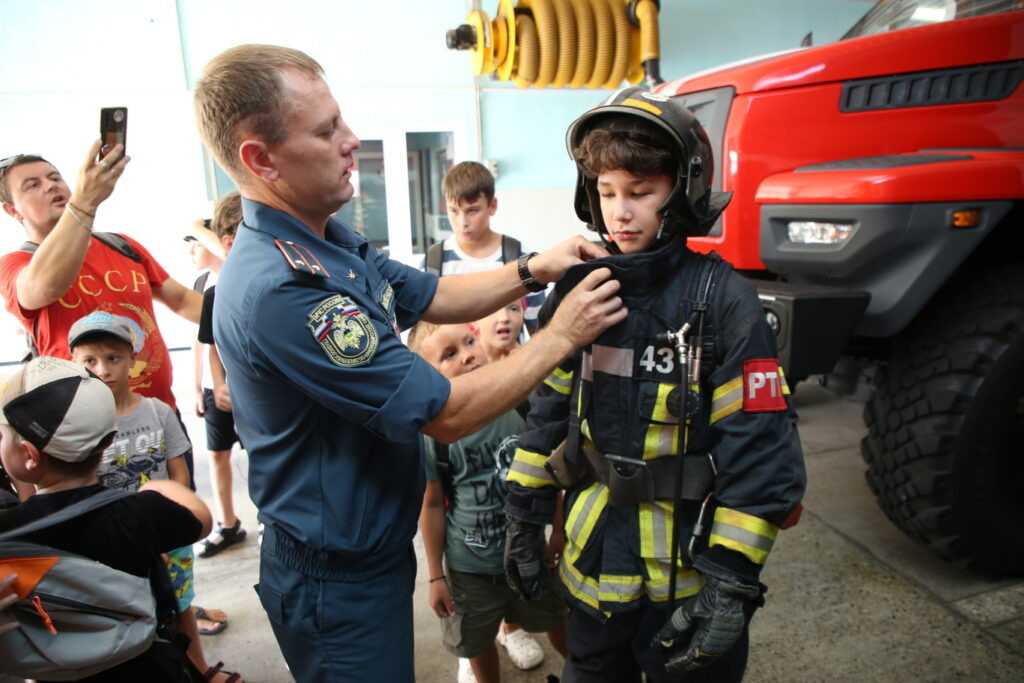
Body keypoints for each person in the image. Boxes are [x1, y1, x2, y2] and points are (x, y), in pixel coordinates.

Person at [193, 44, 626, 682]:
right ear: (261, 159)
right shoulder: (282, 289)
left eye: (340, 120)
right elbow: (448, 413)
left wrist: (535, 268)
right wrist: (561, 334)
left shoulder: (327, 239)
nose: (351, 140)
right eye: (325, 130)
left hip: (368, 549)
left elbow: (434, 295)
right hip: (332, 578)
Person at [503, 87, 807, 682]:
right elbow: (547, 416)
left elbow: (761, 454)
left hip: (688, 583)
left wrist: (730, 581)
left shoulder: (725, 303)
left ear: (684, 190)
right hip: (592, 574)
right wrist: (524, 513)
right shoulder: (578, 293)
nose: (620, 212)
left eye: (641, 193)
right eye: (607, 192)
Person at [0, 355, 213, 681]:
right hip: (146, 669)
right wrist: (157, 486)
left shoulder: (9, 532)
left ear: (29, 456)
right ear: (109, 440)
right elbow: (201, 516)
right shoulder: (137, 515)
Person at [66, 311, 242, 682]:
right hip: (113, 548)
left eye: (113, 358)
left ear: (133, 360)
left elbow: (180, 475)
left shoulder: (158, 412)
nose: (103, 369)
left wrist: (169, 533)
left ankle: (201, 670)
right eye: (90, 361)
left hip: (168, 543)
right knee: (131, 614)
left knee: (181, 608)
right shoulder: (78, 426)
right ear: (74, 364)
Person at [410, 321, 567, 683]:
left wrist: (557, 532)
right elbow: (432, 504)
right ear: (427, 373)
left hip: (530, 553)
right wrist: (436, 575)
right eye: (449, 354)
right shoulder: (434, 431)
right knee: (477, 640)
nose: (467, 356)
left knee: (557, 619)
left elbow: (553, 474)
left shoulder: (520, 405)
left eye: (468, 342)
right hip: (470, 569)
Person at [0, 146, 203, 410]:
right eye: (32, 185)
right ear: (12, 210)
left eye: (55, 178)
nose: (50, 186)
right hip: (84, 431)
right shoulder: (15, 264)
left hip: (159, 415)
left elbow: (183, 300)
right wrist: (84, 202)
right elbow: (45, 287)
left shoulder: (122, 245)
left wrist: (247, 317)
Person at [191, 192, 248, 559]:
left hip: (260, 396)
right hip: (225, 393)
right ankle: (227, 523)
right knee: (218, 454)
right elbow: (210, 345)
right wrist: (216, 384)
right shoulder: (212, 293)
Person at [426, 161, 545, 333]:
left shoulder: (520, 257)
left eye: (472, 210)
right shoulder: (434, 262)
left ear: (492, 206)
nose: (462, 222)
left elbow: (538, 333)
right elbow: (425, 337)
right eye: (454, 211)